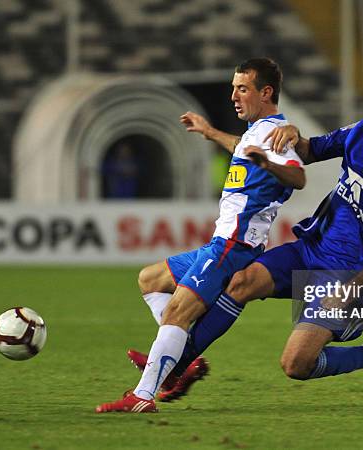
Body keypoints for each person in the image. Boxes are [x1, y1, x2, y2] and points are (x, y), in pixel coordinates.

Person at [151, 85, 363, 395]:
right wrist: (292, 134)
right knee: (240, 281)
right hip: (309, 248)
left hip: (344, 272)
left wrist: (355, 287)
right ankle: (175, 368)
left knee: (295, 365)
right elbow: (310, 151)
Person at [96, 57, 306, 413]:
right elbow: (243, 147)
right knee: (150, 279)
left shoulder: (276, 136)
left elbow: (298, 177)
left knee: (177, 312)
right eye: (233, 89)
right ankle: (182, 360)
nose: (234, 97)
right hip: (221, 243)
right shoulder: (256, 133)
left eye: (242, 89)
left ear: (266, 92)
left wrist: (268, 164)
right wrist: (210, 133)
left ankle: (143, 396)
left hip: (234, 246)